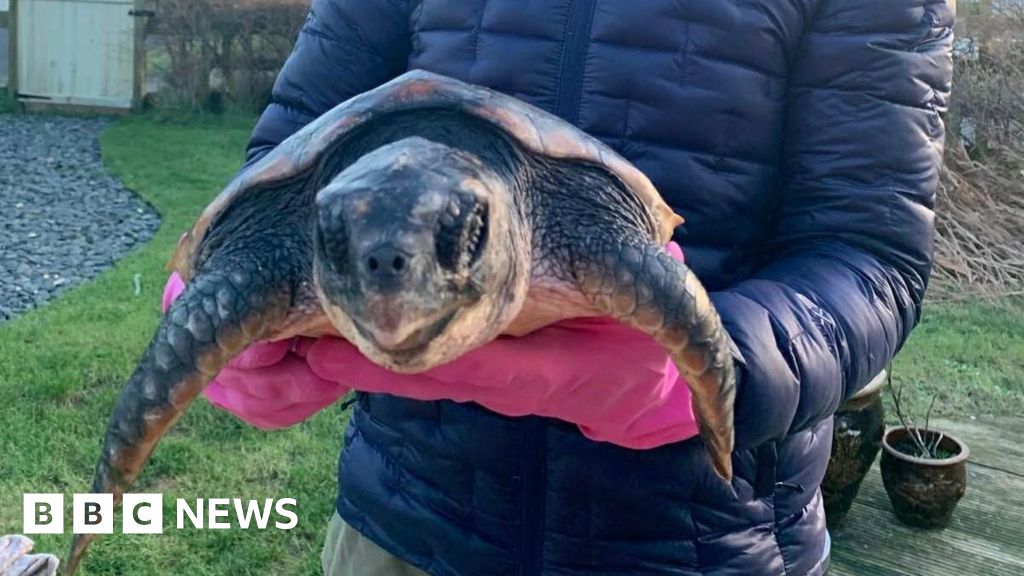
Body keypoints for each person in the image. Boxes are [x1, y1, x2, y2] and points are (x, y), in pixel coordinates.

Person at [173, 1, 956, 575]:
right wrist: (232, 279)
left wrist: (721, 371)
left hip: (706, 540)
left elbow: (869, 253)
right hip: (407, 525)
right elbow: (294, 161)